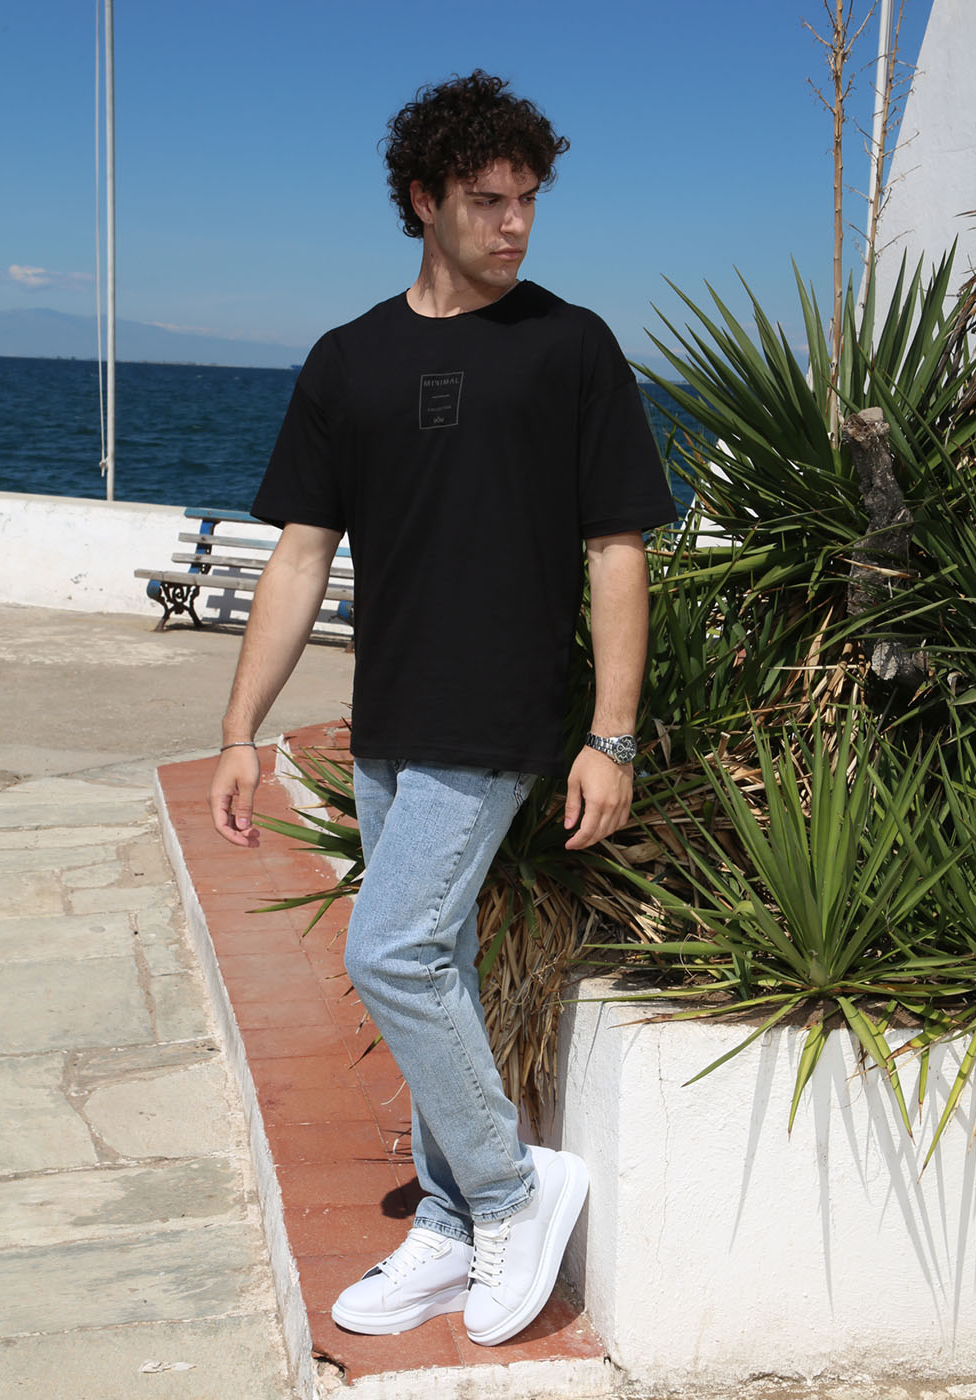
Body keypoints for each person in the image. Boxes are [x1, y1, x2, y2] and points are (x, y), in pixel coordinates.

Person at [209, 70, 676, 1348]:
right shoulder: (349, 359)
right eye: (487, 200)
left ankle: (515, 1190)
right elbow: (301, 555)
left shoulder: (570, 346)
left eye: (529, 200)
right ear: (423, 200)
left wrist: (611, 733)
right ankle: (456, 1219)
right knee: (443, 963)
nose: (516, 224)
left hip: (500, 710)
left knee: (390, 950)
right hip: (391, 715)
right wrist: (241, 730)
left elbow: (617, 549)